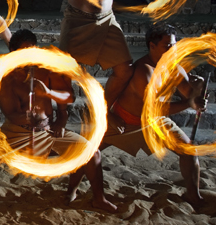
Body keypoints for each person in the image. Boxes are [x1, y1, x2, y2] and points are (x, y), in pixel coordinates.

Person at [0, 29, 117, 218]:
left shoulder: (46, 69)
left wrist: (50, 96)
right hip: (16, 132)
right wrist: (28, 117)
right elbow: (11, 113)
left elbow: (68, 98)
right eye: (23, 51)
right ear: (12, 52)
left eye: (32, 50)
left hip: (48, 130)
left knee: (90, 154)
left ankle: (91, 196)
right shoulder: (8, 77)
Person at [67, 23, 207, 207]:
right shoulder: (143, 71)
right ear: (152, 46)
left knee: (189, 150)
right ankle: (72, 191)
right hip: (124, 120)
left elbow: (189, 94)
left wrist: (198, 91)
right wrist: (189, 103)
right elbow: (154, 107)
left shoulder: (175, 68)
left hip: (154, 122)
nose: (173, 50)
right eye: (168, 46)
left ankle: (193, 195)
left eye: (174, 45)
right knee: (88, 151)